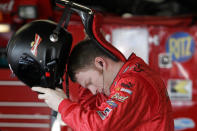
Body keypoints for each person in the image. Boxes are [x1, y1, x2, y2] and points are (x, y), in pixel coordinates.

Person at [32, 39, 174, 131]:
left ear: (101, 63)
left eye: (90, 83)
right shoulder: (117, 82)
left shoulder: (133, 83)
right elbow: (90, 112)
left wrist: (62, 105)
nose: (93, 91)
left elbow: (97, 126)